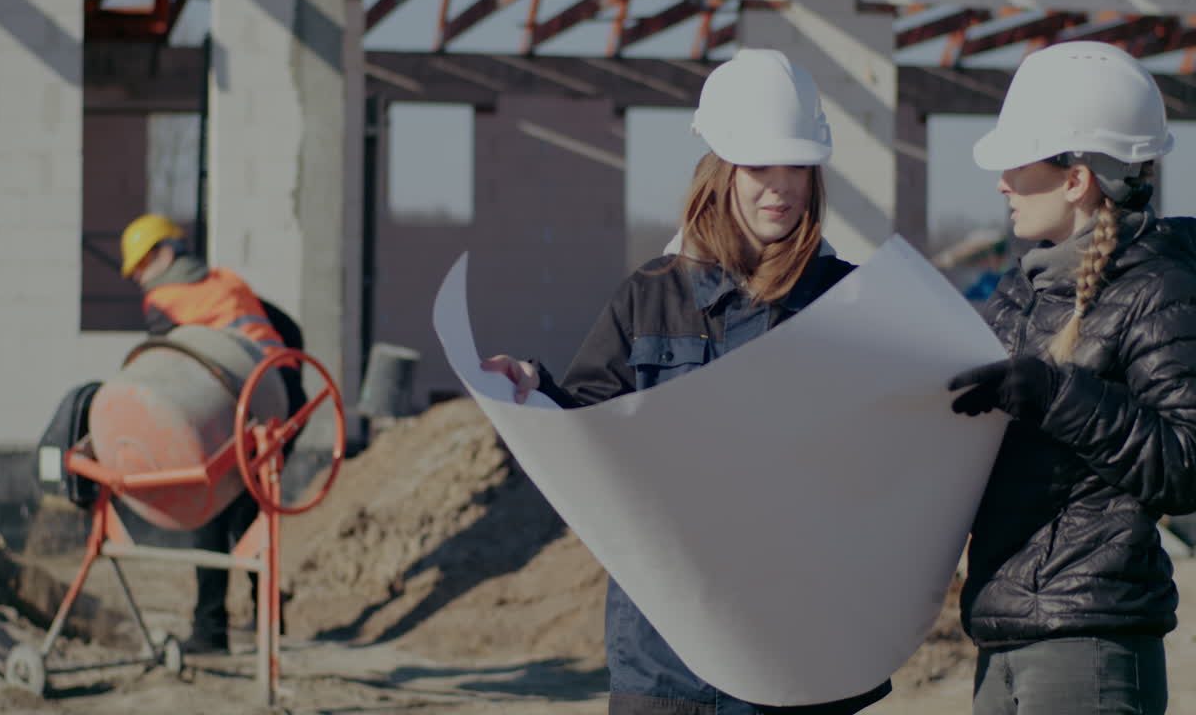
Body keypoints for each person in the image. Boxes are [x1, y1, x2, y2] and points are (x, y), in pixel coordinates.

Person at [482, 49, 891, 715]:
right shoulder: (650, 297)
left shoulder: (852, 304)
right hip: (668, 662)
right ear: (721, 170)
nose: (780, 188)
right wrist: (534, 390)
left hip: (795, 655)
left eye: (796, 167)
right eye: (759, 167)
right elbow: (591, 436)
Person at [946, 41, 1196, 715]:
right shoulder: (1019, 293)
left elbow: (1186, 465)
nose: (1001, 183)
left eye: (1016, 163)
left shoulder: (1160, 288)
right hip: (1002, 633)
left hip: (1090, 647)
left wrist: (1058, 395)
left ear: (1076, 178)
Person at [120, 213, 308, 653]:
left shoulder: (164, 300)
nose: (140, 278)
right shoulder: (227, 281)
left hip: (239, 403)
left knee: (210, 507)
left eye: (141, 265)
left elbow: (170, 367)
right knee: (247, 508)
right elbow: (290, 330)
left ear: (164, 253)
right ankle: (268, 621)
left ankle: (210, 631)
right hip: (285, 398)